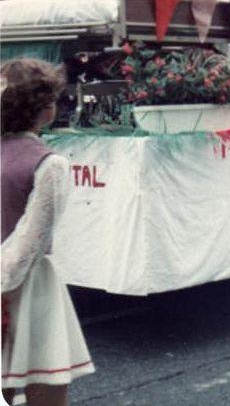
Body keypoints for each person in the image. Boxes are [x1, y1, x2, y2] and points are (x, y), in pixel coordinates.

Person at [1, 59, 95, 405]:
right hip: (28, 285)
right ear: (44, 109)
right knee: (46, 384)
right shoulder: (49, 163)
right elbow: (33, 238)